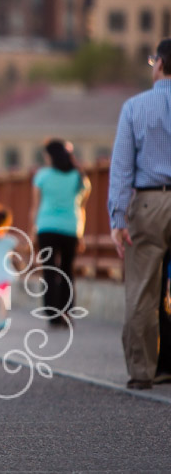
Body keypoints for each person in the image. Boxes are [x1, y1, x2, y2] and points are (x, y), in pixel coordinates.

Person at [108, 38, 171, 390]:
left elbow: (121, 168)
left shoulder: (135, 107)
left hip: (149, 203)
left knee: (143, 290)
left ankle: (143, 372)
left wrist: (118, 218)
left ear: (159, 63)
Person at [30, 139, 90, 328]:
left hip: (46, 227)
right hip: (70, 228)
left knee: (49, 270)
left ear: (50, 156)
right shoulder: (79, 176)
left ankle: (52, 314)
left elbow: (35, 207)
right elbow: (81, 208)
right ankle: (67, 313)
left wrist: (33, 230)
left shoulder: (42, 175)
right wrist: (80, 233)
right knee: (67, 271)